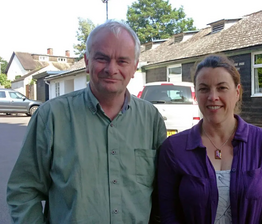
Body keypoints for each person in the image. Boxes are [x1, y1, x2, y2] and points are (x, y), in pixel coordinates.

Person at [7, 20, 166, 223]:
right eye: (102, 58)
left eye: (122, 61)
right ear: (87, 62)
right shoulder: (52, 117)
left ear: (134, 67)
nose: (111, 68)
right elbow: (23, 190)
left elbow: (163, 194)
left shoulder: (151, 120)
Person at [157, 54, 262, 223]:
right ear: (196, 94)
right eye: (204, 89)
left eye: (222, 88)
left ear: (237, 92)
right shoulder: (174, 148)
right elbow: (168, 215)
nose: (213, 96)